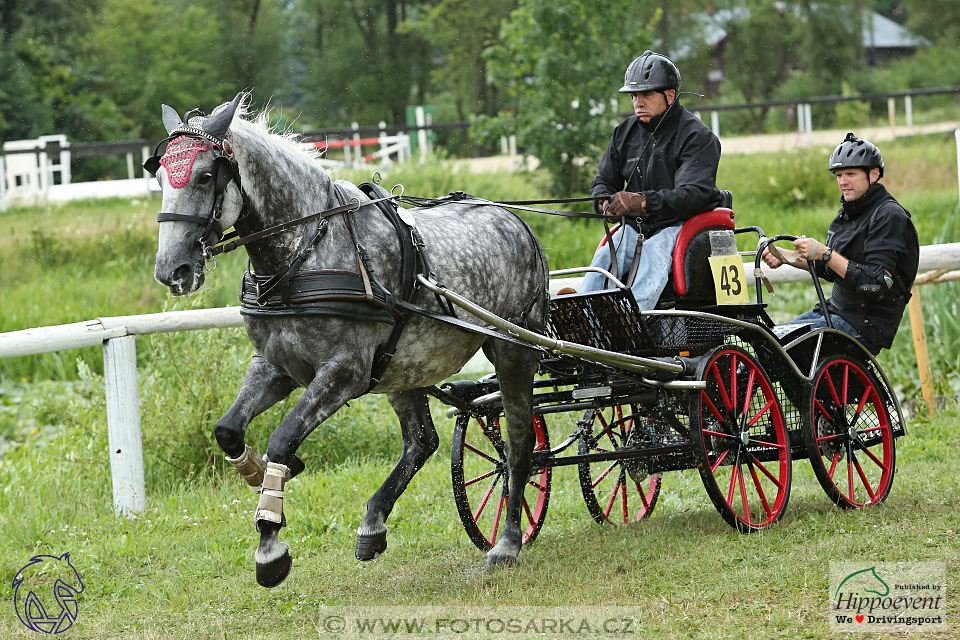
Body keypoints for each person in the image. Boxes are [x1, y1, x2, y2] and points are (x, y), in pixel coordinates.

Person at [581, 50, 723, 309]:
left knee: (652, 253)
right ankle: (587, 318)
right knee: (605, 255)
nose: (638, 102)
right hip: (637, 227)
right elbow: (603, 180)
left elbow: (694, 194)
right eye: (634, 95)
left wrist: (641, 202)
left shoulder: (698, 137)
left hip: (682, 224)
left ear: (670, 96)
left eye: (647, 94)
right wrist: (604, 203)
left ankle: (633, 321)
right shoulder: (624, 132)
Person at [761, 132, 919, 355]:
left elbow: (875, 284)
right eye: (838, 175)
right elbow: (832, 268)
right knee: (766, 340)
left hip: (864, 325)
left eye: (851, 174)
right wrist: (785, 256)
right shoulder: (847, 213)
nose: (843, 182)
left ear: (874, 174)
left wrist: (825, 253)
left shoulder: (889, 216)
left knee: (776, 347)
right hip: (834, 312)